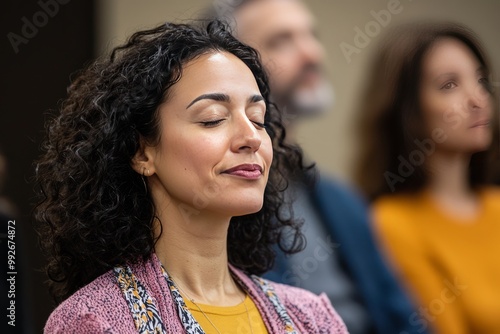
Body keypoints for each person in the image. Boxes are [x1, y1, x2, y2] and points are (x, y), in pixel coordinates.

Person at [34, 20, 348, 333]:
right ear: (142, 152)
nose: (250, 137)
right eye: (213, 119)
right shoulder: (94, 321)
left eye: (258, 118)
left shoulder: (311, 317)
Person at [204, 1, 423, 333]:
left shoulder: (342, 200)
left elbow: (406, 321)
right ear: (231, 66)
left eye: (311, 35)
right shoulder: (217, 204)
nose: (312, 54)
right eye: (282, 40)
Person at [355, 22, 500, 334]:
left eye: (481, 80)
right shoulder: (393, 222)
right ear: (408, 111)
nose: (478, 99)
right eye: (449, 85)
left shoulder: (496, 205)